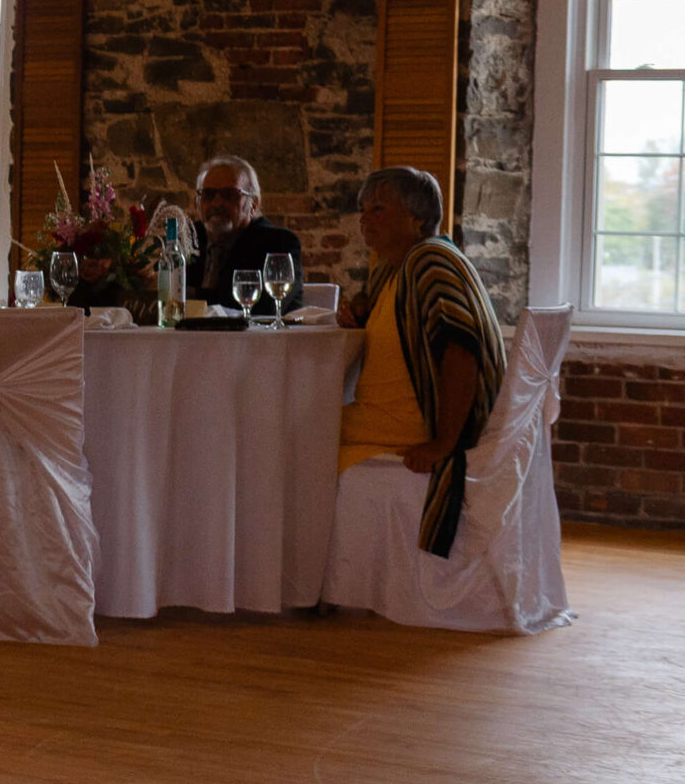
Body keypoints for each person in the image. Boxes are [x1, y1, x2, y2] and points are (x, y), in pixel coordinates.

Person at [335, 165, 506, 557]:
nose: (364, 219)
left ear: (417, 219)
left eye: (377, 209)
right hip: (389, 416)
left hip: (410, 423)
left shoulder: (431, 262)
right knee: (293, 428)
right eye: (363, 209)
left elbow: (461, 348)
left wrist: (442, 443)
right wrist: (361, 309)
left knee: (289, 435)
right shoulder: (400, 266)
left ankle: (301, 577)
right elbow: (387, 310)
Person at [189, 154, 305, 317]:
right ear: (197, 202)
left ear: (253, 205)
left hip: (259, 340)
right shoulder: (186, 237)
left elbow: (263, 308)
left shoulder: (278, 243)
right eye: (208, 194)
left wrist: (191, 297)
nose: (217, 203)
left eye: (229, 194)